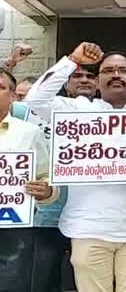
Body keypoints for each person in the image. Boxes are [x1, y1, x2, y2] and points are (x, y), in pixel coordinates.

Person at [25, 43, 126, 292]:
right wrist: (72, 60)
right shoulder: (77, 111)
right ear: (97, 81)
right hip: (88, 229)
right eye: (108, 71)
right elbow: (35, 99)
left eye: (123, 70)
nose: (116, 75)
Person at [0, 68, 62, 292]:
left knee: (12, 285)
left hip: (14, 228)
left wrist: (46, 191)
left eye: (0, 88)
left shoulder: (30, 132)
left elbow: (47, 178)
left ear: (14, 96)